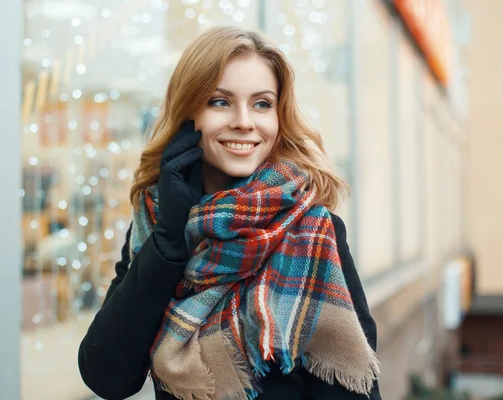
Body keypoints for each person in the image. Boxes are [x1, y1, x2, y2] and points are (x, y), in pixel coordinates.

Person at [78, 26, 381, 400]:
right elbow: (107, 377)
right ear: (188, 114)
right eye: (220, 102)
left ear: (279, 117)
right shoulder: (157, 225)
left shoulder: (313, 232)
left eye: (262, 104)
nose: (244, 121)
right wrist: (170, 241)